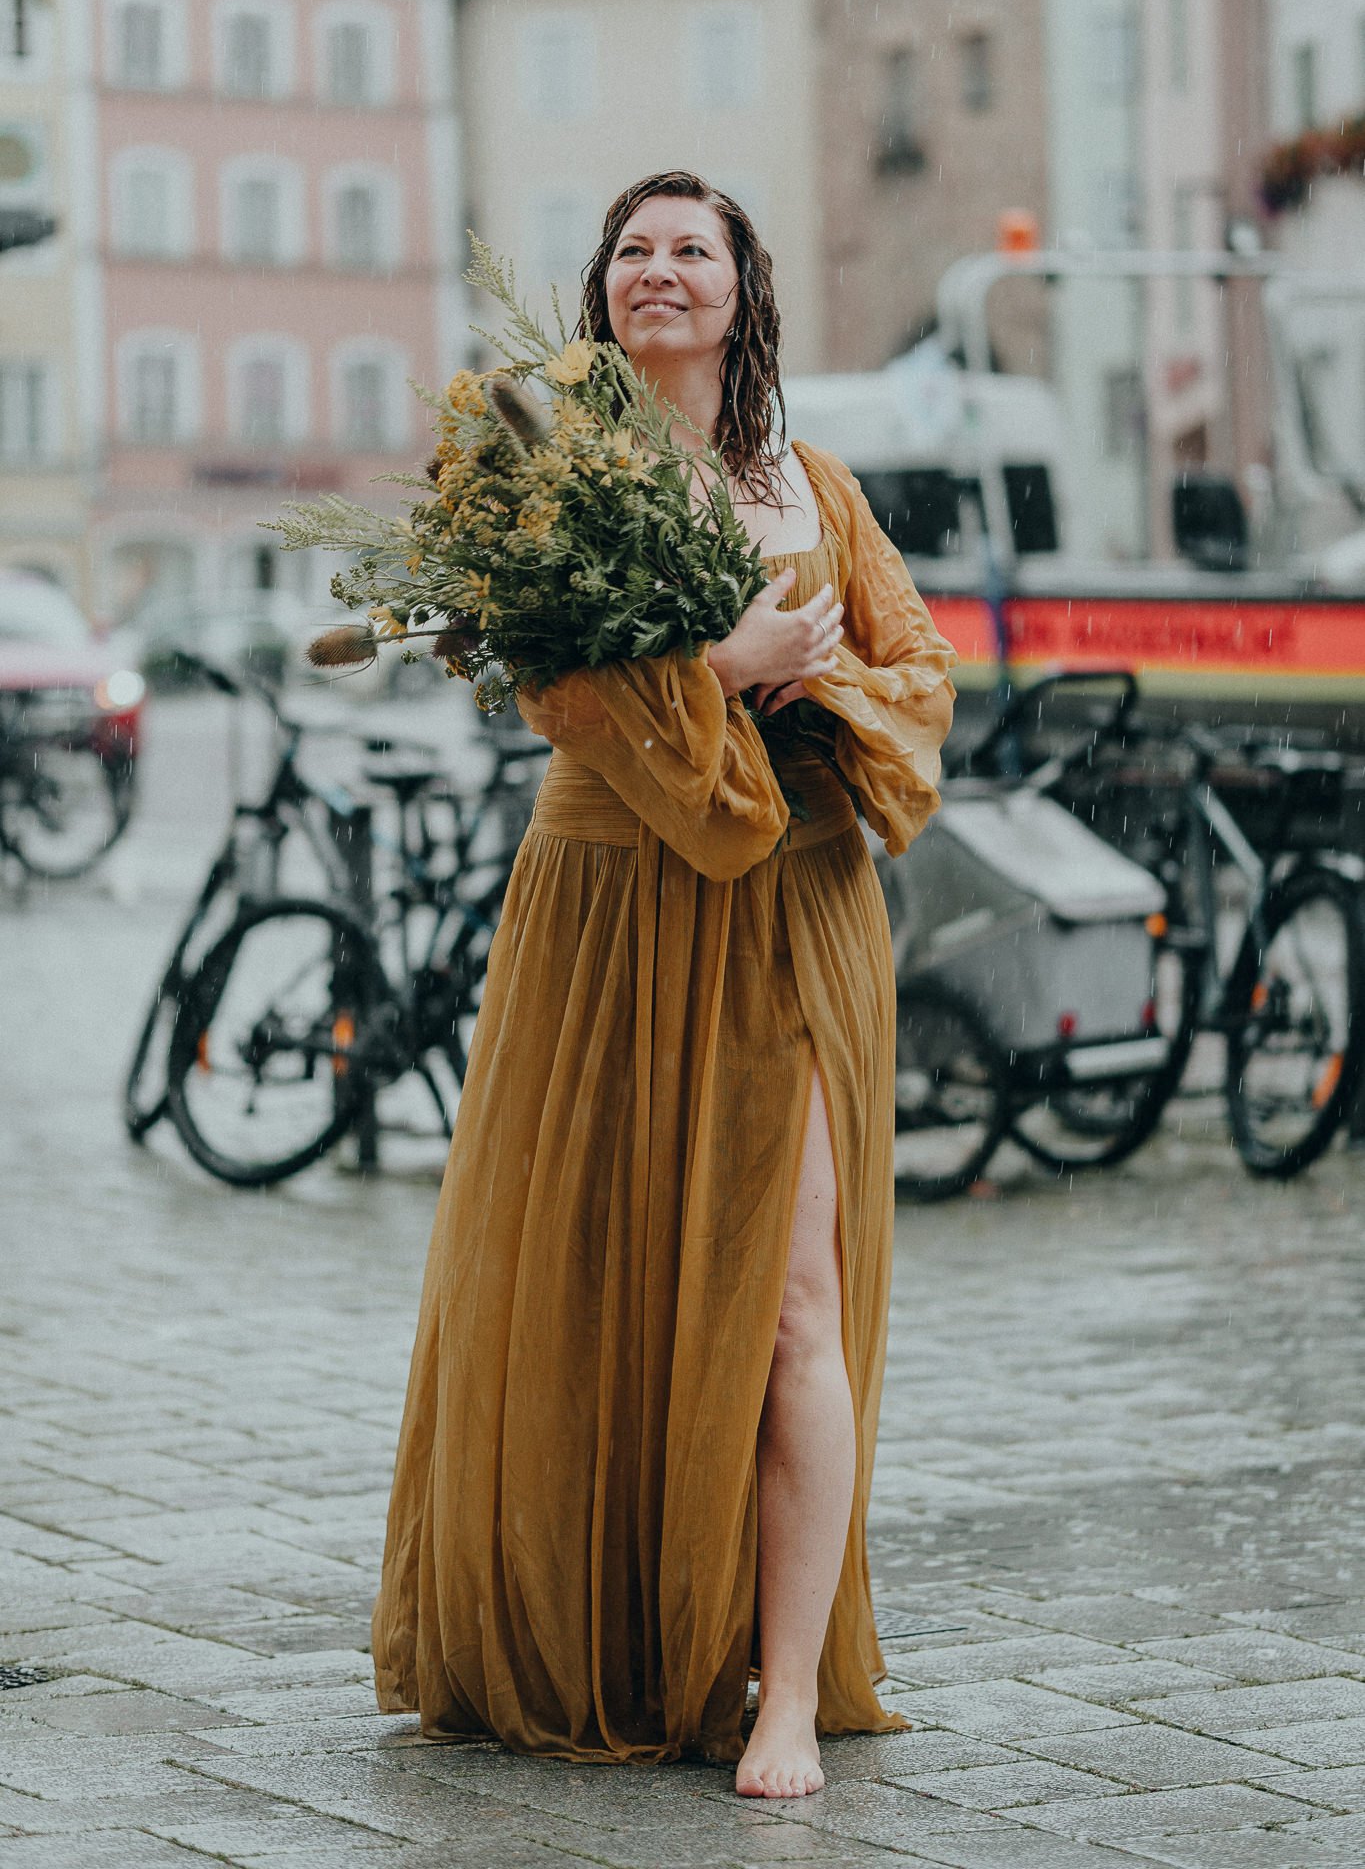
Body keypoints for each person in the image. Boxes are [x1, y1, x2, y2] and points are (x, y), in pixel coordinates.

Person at [372, 170, 957, 1799]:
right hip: (611, 896)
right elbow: (536, 665)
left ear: (743, 289)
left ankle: (781, 1687)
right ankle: (623, 1636)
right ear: (601, 288)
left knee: (788, 1302)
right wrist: (720, 668)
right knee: (598, 1264)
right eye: (632, 250)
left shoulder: (814, 486)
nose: (658, 272)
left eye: (691, 249)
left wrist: (819, 682)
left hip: (792, 909)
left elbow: (919, 674)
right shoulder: (543, 454)